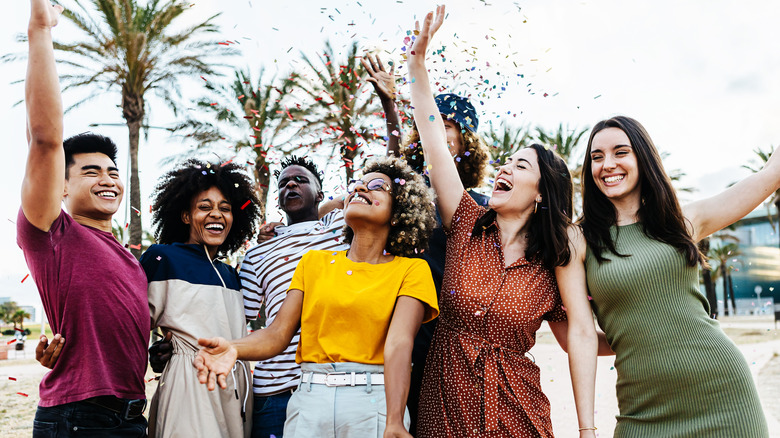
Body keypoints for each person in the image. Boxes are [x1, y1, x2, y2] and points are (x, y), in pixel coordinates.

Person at [407, 7, 613, 437]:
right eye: (505, 162)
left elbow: (577, 336)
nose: (504, 168)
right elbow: (433, 143)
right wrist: (417, 65)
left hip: (516, 413)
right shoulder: (464, 220)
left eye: (520, 165)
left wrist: (588, 428)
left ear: (541, 192)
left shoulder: (555, 260)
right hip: (442, 408)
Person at [556, 115, 776, 437]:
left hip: (724, 394)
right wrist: (586, 428)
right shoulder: (578, 240)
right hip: (642, 411)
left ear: (642, 158)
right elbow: (582, 334)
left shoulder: (682, 222)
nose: (607, 164)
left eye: (621, 152)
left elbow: (770, 175)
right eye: (596, 156)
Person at [194, 156, 440, 438]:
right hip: (309, 400)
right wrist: (234, 348)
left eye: (375, 186)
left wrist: (394, 420)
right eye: (357, 185)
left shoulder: (412, 270)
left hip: (372, 404)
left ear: (399, 211)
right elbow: (277, 334)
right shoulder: (313, 262)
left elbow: (399, 344)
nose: (360, 189)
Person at [17, 1, 149, 436]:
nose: (108, 179)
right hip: (78, 418)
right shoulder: (52, 234)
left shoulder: (133, 258)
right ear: (62, 187)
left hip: (131, 416)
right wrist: (41, 29)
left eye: (113, 172)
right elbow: (45, 140)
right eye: (90, 171)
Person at [362, 52, 491, 433]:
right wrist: (390, 105)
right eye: (434, 124)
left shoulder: (480, 204)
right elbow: (390, 168)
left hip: (456, 338)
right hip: (405, 331)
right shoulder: (410, 194)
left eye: (450, 125)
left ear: (467, 136)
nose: (441, 133)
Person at [140, 159, 261, 437]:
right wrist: (159, 352)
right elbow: (131, 325)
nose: (216, 214)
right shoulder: (163, 258)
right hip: (191, 382)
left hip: (236, 386)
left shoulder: (231, 274)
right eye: (204, 207)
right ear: (185, 216)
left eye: (225, 209)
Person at [240, 155, 348, 438]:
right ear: (277, 200)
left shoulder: (342, 230)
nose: (291, 185)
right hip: (276, 392)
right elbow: (238, 318)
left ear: (320, 194)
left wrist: (327, 207)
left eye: (301, 180)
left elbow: (369, 189)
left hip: (335, 385)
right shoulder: (256, 254)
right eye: (284, 183)